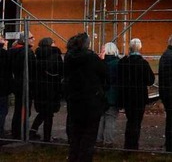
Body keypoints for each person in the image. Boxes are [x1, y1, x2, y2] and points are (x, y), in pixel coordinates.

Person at [64, 32, 107, 162]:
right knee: (88, 137)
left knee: (75, 135)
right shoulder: (92, 58)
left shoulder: (68, 57)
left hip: (74, 101)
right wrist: (101, 60)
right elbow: (104, 74)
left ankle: (73, 158)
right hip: (91, 102)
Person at [117, 38, 155, 150]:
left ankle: (128, 144)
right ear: (140, 48)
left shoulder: (123, 62)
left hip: (127, 95)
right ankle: (133, 145)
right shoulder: (143, 63)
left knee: (130, 120)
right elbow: (150, 80)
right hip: (139, 96)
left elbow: (119, 78)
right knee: (136, 121)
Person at [29, 37, 63, 142]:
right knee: (49, 114)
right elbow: (60, 71)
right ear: (50, 44)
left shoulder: (37, 55)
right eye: (54, 42)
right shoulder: (56, 56)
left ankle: (33, 131)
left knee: (44, 112)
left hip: (39, 87)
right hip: (52, 88)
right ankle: (47, 138)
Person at [8, 31, 36, 139]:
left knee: (19, 109)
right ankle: (21, 133)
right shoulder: (26, 52)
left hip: (17, 83)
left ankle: (18, 131)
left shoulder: (12, 51)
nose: (34, 39)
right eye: (31, 37)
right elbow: (32, 70)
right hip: (25, 84)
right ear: (25, 40)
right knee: (24, 110)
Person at [97, 42, 119, 147]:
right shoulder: (117, 63)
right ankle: (108, 141)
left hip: (100, 95)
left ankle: (98, 139)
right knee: (110, 118)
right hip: (113, 95)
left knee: (100, 118)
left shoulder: (100, 62)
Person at [0, 35, 10, 137]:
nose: (6, 41)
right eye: (3, 39)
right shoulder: (4, 54)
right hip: (2, 88)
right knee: (2, 110)